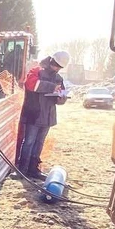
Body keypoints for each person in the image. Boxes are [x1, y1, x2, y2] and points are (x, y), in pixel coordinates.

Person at [17, 51, 70, 179]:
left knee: (39, 143)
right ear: (51, 61)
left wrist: (61, 97)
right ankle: (22, 170)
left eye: (59, 67)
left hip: (47, 117)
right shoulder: (36, 71)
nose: (57, 68)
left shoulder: (59, 78)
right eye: (56, 65)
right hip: (34, 115)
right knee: (29, 142)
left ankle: (33, 169)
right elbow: (31, 85)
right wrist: (52, 88)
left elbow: (61, 95)